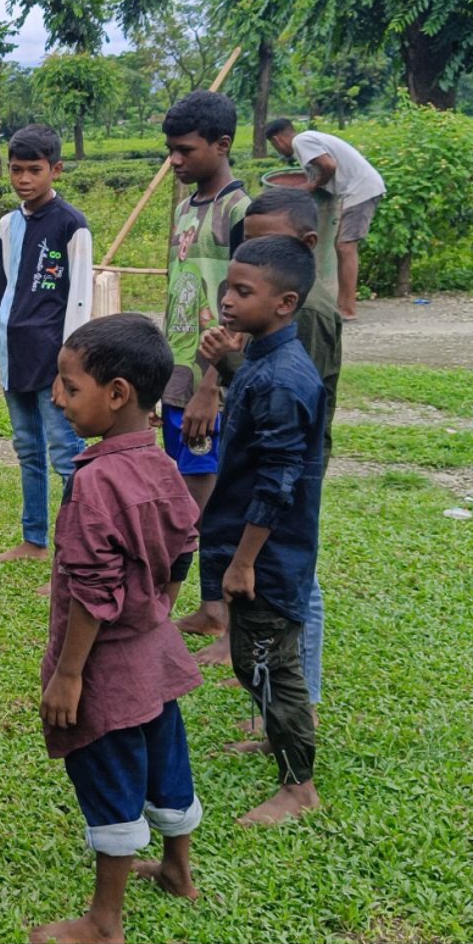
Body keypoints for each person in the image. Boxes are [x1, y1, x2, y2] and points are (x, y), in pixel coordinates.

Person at [34, 314, 203, 944]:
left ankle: (104, 920)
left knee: (110, 777)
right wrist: (160, 605)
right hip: (156, 658)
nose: (58, 397)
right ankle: (179, 871)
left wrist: (69, 673)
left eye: (70, 387)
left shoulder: (95, 480)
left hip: (104, 668)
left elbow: (93, 591)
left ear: (118, 393)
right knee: (166, 759)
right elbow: (186, 542)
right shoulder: (160, 464)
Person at [201, 187, 343, 725]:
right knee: (273, 581)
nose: (258, 258)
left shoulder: (307, 319)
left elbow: (287, 409)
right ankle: (275, 708)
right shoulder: (264, 331)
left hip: (287, 469)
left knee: (294, 586)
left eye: (271, 247)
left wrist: (229, 370)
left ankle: (294, 707)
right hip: (270, 464)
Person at [200, 235, 327, 826]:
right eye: (229, 287)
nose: (228, 300)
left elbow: (279, 479)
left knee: (274, 660)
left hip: (269, 549)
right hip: (251, 538)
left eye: (243, 292)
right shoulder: (261, 361)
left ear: (285, 303)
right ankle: (278, 740)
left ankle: (299, 788)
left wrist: (244, 560)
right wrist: (224, 364)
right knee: (251, 658)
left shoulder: (283, 379)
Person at [159, 91, 251, 665]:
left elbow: (243, 309)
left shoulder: (243, 211)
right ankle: (210, 608)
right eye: (169, 151)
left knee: (207, 503)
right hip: (177, 376)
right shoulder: (185, 206)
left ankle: (231, 629)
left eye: (184, 150)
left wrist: (211, 385)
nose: (175, 161)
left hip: (209, 385)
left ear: (221, 145)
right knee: (186, 496)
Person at [0, 124, 93, 564]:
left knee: (66, 454)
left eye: (34, 170)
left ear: (56, 170)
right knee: (28, 449)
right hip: (13, 355)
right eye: (15, 170)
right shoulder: (9, 225)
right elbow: (0, 287)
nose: (24, 179)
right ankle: (34, 539)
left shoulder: (72, 225)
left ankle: (77, 547)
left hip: (54, 362)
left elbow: (80, 300)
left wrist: (70, 371)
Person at [265, 118, 385, 320]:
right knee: (343, 247)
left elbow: (328, 165)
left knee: (346, 247)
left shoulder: (301, 141)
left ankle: (347, 309)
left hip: (360, 190)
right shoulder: (308, 138)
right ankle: (343, 305)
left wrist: (311, 186)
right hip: (360, 188)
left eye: (274, 145)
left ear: (277, 140)